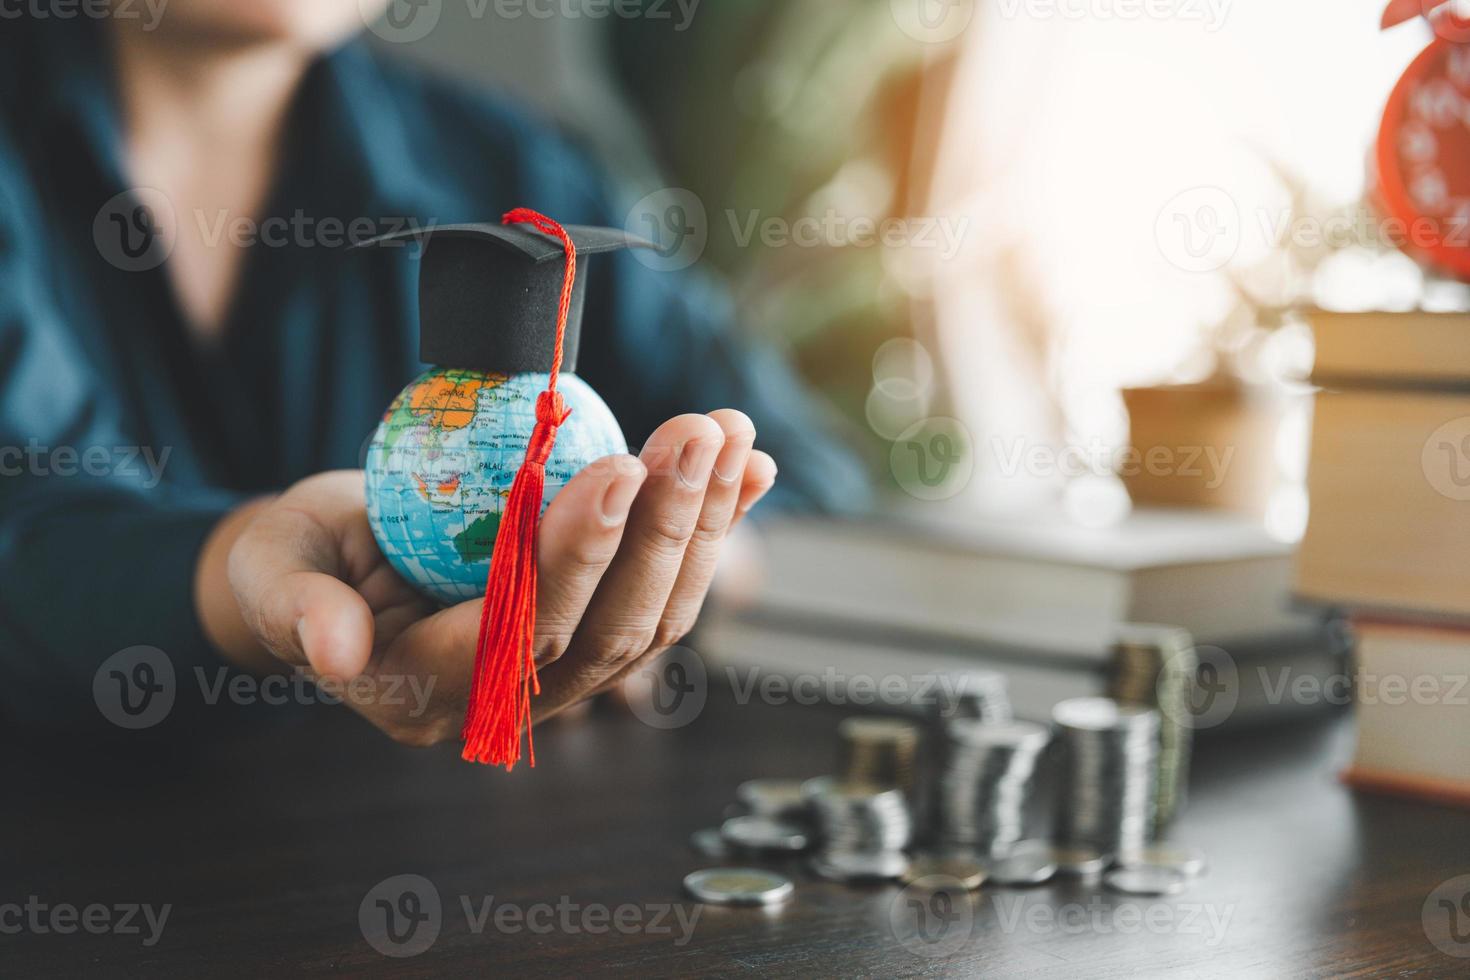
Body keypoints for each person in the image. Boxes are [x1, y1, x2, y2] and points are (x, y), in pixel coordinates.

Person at [0, 4, 870, 740]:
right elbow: (30, 524)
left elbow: (811, 476)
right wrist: (243, 569)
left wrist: (660, 565)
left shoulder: (520, 174)